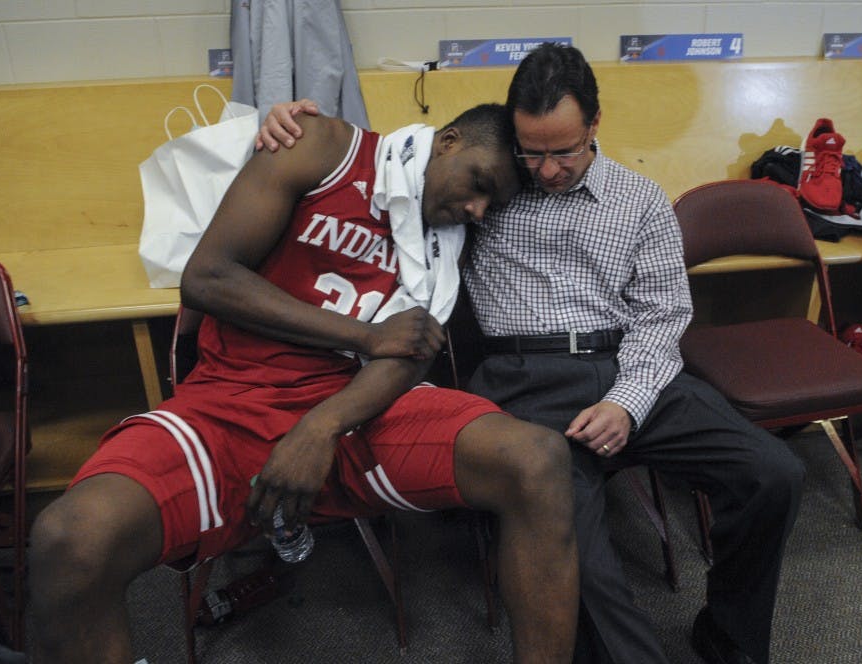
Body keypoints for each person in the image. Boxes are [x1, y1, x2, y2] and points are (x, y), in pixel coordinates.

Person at [260, 44, 806, 664]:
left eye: (562, 152)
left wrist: (626, 402)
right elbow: (398, 163)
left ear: (595, 127)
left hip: (630, 371)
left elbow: (664, 316)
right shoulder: (488, 190)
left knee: (773, 474)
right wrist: (288, 124)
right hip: (524, 382)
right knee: (577, 557)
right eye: (532, 151)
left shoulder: (641, 200)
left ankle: (729, 639)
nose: (544, 170)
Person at [28, 103, 579, 664]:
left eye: (493, 205)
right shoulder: (322, 147)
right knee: (71, 539)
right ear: (448, 141)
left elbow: (408, 355)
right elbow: (208, 276)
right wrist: (363, 335)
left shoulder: (449, 235)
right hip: (233, 404)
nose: (476, 210)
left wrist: (321, 426)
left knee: (535, 459)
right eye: (478, 184)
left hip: (362, 414)